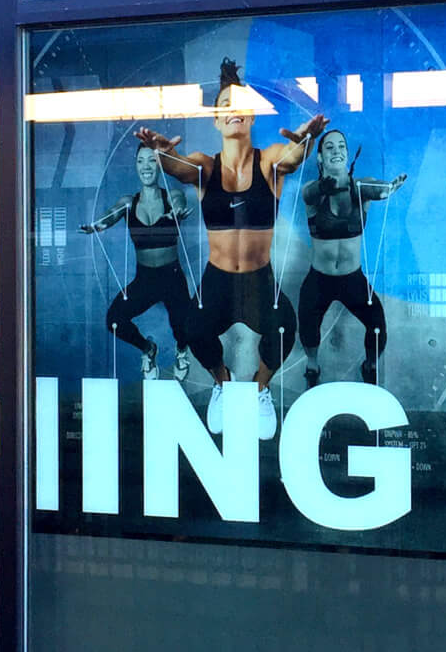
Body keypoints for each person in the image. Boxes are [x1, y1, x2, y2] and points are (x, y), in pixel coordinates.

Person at [135, 56, 326, 441]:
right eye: (225, 105)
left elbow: (292, 158)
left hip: (258, 279)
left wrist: (305, 141)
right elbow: (178, 166)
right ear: (217, 121)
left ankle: (257, 390)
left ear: (251, 116)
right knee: (192, 328)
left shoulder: (268, 161)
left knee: (284, 329)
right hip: (218, 278)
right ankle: (223, 385)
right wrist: (161, 153)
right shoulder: (206, 167)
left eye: (240, 105)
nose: (234, 110)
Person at [295, 128, 405, 385]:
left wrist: (388, 189)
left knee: (377, 327)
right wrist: (324, 186)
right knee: (308, 328)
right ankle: (312, 366)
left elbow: (377, 190)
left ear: (347, 153)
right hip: (319, 279)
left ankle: (370, 366)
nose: (337, 151)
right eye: (329, 147)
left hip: (352, 279)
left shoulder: (361, 186)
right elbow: (309, 194)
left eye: (341, 146)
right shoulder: (312, 191)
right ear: (320, 157)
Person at [81, 139, 196, 380]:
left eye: (152, 161)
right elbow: (109, 216)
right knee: (114, 320)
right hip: (145, 279)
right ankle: (147, 348)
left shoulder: (171, 195)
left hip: (172, 277)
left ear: (160, 165)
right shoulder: (128, 202)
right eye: (141, 161)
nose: (146, 166)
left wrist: (177, 211)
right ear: (135, 165)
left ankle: (181, 350)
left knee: (185, 328)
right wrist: (97, 226)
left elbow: (179, 202)